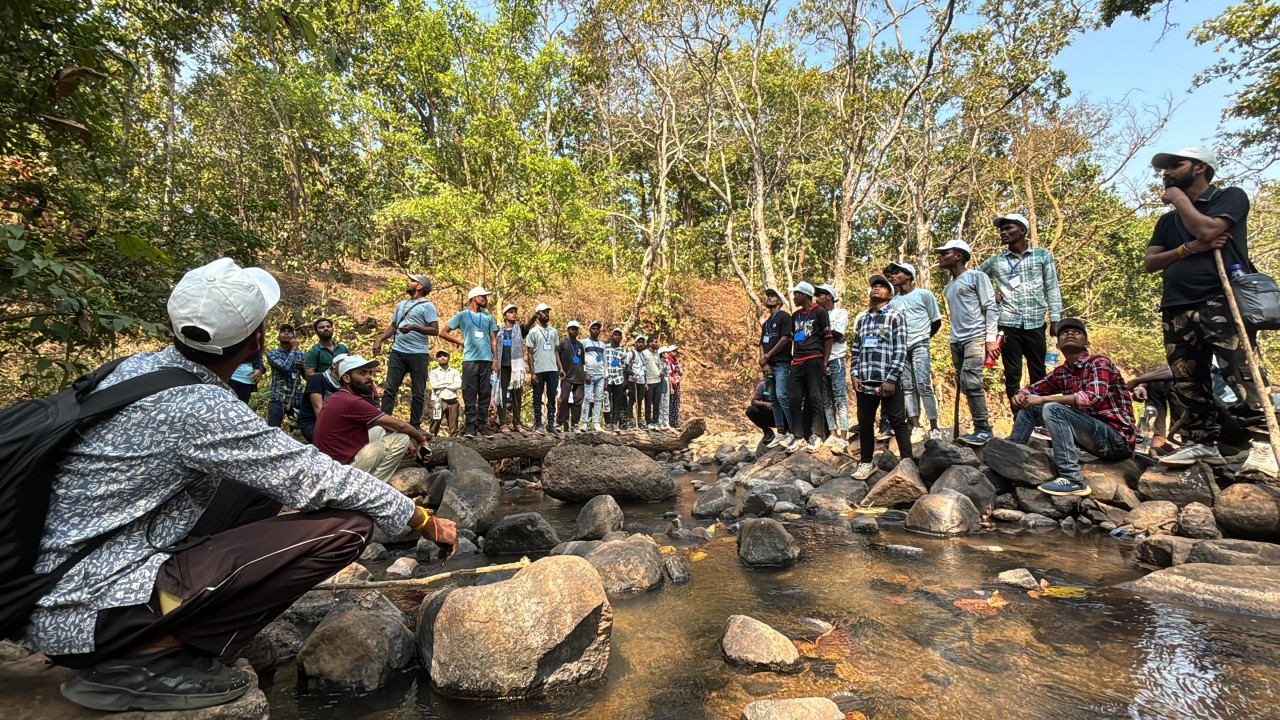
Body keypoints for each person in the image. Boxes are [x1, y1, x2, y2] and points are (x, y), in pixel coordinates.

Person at [23, 258, 456, 713]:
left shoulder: (135, 370)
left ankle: (179, 612)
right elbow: (320, 475)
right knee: (349, 526)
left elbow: (292, 471)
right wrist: (422, 518)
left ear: (174, 323)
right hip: (88, 615)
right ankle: (150, 654)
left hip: (57, 589)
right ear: (257, 339)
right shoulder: (199, 404)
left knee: (260, 485)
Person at [1143, 145, 1267, 466]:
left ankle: (1261, 441)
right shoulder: (1168, 222)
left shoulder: (1229, 197)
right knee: (1187, 380)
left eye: (1175, 165)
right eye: (1164, 168)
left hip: (1221, 301)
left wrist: (1180, 199)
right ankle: (1202, 442)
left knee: (1243, 376)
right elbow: (1151, 262)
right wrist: (1189, 248)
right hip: (1176, 306)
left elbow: (1209, 229)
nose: (1166, 172)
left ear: (1199, 167)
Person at [1008, 318, 1136, 496]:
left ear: (1086, 343)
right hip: (1091, 434)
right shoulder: (1063, 372)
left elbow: (1092, 397)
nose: (1069, 334)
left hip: (1117, 440)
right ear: (1058, 345)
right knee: (1031, 406)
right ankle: (1011, 454)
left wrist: (1044, 400)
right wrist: (1022, 395)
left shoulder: (1099, 363)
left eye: (1076, 332)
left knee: (1052, 408)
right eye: (1064, 333)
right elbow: (1034, 388)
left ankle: (1073, 479)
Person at [979, 213, 1063, 412]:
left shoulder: (1042, 256)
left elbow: (1052, 286)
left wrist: (1055, 318)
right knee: (1013, 373)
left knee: (1039, 372)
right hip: (1008, 323)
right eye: (1002, 229)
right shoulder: (995, 262)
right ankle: (1019, 418)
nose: (1004, 232)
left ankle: (1040, 416)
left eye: (1009, 228)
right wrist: (991, 296)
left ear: (1022, 231)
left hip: (1035, 322)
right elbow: (974, 281)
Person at [314, 355, 429, 484]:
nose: (369, 377)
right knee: (402, 439)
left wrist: (408, 438)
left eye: (369, 372)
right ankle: (374, 486)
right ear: (346, 378)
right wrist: (421, 440)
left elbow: (386, 423)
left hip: (332, 464)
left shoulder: (338, 397)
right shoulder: (351, 402)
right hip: (340, 471)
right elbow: (400, 426)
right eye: (362, 373)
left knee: (378, 429)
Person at [937, 239, 1000, 446]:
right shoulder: (948, 287)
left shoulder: (976, 277)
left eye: (945, 253)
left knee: (972, 382)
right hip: (957, 340)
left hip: (976, 337)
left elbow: (990, 307)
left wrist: (990, 339)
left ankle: (983, 429)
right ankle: (977, 428)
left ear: (959, 255)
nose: (941, 257)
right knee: (965, 383)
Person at [847, 274, 911, 479]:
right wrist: (854, 374)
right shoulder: (863, 319)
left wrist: (892, 379)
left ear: (890, 295)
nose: (876, 288)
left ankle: (908, 463)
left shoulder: (895, 317)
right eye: (874, 285)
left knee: (897, 421)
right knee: (865, 421)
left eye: (882, 286)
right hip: (865, 379)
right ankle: (866, 462)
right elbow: (856, 348)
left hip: (887, 378)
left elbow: (901, 350)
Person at [885, 261, 943, 442]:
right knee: (907, 387)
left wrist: (924, 337)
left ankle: (935, 428)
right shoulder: (893, 302)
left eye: (897, 273)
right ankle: (917, 426)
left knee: (924, 384)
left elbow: (936, 320)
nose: (893, 276)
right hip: (902, 348)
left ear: (908, 275)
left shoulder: (924, 295)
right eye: (892, 274)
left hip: (920, 344)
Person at [373, 273, 438, 431]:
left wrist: (415, 328)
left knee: (418, 392)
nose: (408, 283)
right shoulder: (402, 304)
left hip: (418, 354)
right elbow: (393, 326)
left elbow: (435, 330)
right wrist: (380, 339)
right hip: (398, 352)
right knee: (390, 389)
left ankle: (415, 425)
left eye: (412, 281)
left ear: (419, 286)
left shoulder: (427, 306)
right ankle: (384, 423)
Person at [439, 286, 500, 438]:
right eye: (483, 297)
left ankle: (482, 426)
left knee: (485, 393)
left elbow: (493, 340)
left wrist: (495, 360)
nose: (486, 300)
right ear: (474, 298)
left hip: (486, 360)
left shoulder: (488, 318)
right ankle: (469, 427)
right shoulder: (462, 316)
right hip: (470, 360)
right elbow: (443, 332)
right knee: (469, 393)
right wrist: (461, 341)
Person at [785, 282, 832, 454]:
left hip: (814, 359)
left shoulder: (820, 312)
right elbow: (791, 340)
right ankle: (798, 436)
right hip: (797, 361)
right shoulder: (795, 315)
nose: (794, 297)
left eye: (796, 294)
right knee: (794, 397)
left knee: (815, 397)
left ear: (804, 295)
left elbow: (828, 338)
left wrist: (825, 362)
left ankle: (816, 434)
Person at [815, 284, 849, 454]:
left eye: (820, 295)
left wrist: (827, 333)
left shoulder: (840, 313)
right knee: (827, 399)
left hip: (835, 359)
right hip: (821, 360)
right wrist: (831, 334)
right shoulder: (817, 314)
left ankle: (844, 436)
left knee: (840, 398)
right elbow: (832, 335)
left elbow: (837, 333)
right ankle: (833, 433)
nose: (817, 298)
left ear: (829, 296)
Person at [758, 288, 794, 448]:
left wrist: (768, 356)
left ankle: (793, 431)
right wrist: (763, 362)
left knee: (782, 396)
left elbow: (785, 339)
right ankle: (781, 432)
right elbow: (761, 344)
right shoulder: (766, 323)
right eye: (769, 296)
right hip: (769, 367)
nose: (770, 298)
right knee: (773, 398)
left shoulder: (785, 317)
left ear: (780, 301)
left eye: (773, 296)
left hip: (781, 364)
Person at [524, 303, 563, 435]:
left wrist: (560, 367)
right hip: (539, 369)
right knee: (537, 397)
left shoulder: (554, 331)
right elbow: (529, 352)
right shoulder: (533, 332)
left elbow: (556, 351)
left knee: (552, 396)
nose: (546, 314)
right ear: (538, 315)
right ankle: (539, 423)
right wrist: (532, 372)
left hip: (552, 368)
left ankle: (551, 424)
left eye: (547, 312)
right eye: (543, 312)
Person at [296, 352, 347, 442]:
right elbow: (318, 409)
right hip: (312, 422)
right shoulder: (318, 379)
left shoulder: (346, 384)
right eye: (344, 363)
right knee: (329, 442)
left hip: (336, 422)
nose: (346, 366)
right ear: (334, 365)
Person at [496, 304, 529, 436]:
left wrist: (534, 316)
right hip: (502, 366)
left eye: (515, 312)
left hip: (516, 368)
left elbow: (528, 325)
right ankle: (503, 423)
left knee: (517, 395)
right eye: (510, 312)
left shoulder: (519, 330)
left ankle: (517, 423)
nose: (514, 314)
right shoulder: (498, 331)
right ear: (505, 315)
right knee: (501, 395)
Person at [265, 323, 305, 428]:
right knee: (273, 428)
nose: (286, 334)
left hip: (297, 398)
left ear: (294, 336)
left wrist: (303, 368)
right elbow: (285, 367)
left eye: (290, 332)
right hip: (278, 398)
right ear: (278, 337)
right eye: (283, 332)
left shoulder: (302, 355)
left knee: (297, 431)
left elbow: (306, 376)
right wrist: (293, 350)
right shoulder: (272, 354)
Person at [557, 320, 587, 432]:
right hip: (566, 376)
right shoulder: (563, 342)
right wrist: (560, 369)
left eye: (576, 329)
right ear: (568, 330)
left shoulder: (580, 345)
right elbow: (557, 355)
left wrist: (584, 374)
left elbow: (582, 361)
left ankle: (575, 424)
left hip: (579, 377)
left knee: (578, 401)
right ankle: (559, 423)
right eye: (572, 329)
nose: (574, 331)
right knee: (563, 399)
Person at [581, 321, 609, 431]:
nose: (595, 330)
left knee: (598, 399)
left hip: (600, 375)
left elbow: (605, 360)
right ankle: (584, 422)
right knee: (587, 399)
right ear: (589, 330)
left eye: (597, 329)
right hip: (589, 374)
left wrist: (606, 376)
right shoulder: (584, 342)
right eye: (593, 328)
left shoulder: (602, 345)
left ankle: (596, 423)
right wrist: (585, 373)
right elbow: (581, 359)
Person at [428, 350, 461, 436]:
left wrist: (441, 388)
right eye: (440, 356)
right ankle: (432, 441)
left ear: (448, 357)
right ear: (437, 359)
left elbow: (458, 385)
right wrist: (450, 383)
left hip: (452, 400)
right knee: (434, 423)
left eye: (444, 355)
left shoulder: (455, 372)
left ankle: (454, 442)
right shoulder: (433, 372)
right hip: (438, 400)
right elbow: (434, 385)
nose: (442, 357)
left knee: (454, 426)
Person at [605, 328, 629, 431]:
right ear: (612, 336)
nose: (617, 337)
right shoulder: (605, 348)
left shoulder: (623, 352)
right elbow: (600, 360)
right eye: (615, 334)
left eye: (619, 335)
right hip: (607, 379)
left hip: (618, 379)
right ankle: (607, 422)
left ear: (621, 338)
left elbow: (624, 366)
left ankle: (614, 422)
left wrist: (623, 380)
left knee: (617, 401)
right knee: (606, 400)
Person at [625, 335, 649, 429]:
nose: (640, 344)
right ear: (636, 343)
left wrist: (646, 382)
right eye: (639, 342)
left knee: (639, 401)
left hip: (642, 381)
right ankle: (630, 421)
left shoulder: (643, 354)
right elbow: (626, 367)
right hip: (633, 380)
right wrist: (632, 374)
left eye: (642, 342)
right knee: (631, 400)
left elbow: (645, 369)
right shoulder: (631, 353)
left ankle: (639, 421)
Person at [746, 377, 775, 445]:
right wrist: (765, 404)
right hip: (770, 413)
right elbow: (754, 401)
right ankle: (767, 431)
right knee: (751, 410)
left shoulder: (786, 382)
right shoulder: (765, 384)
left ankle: (788, 432)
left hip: (784, 415)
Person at [643, 336, 662, 429]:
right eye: (655, 342)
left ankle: (655, 421)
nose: (657, 344)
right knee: (648, 403)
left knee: (656, 403)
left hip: (657, 380)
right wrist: (645, 382)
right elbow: (643, 368)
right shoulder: (644, 353)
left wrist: (660, 373)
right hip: (649, 382)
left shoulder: (657, 354)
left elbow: (658, 366)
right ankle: (648, 422)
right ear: (650, 343)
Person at [666, 346, 684, 428]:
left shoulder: (677, 362)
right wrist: (671, 386)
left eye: (675, 351)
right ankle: (669, 421)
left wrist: (679, 371)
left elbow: (681, 373)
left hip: (677, 383)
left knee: (676, 403)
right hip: (671, 384)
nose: (674, 353)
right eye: (672, 351)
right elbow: (668, 373)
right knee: (670, 402)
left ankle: (675, 422)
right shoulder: (668, 361)